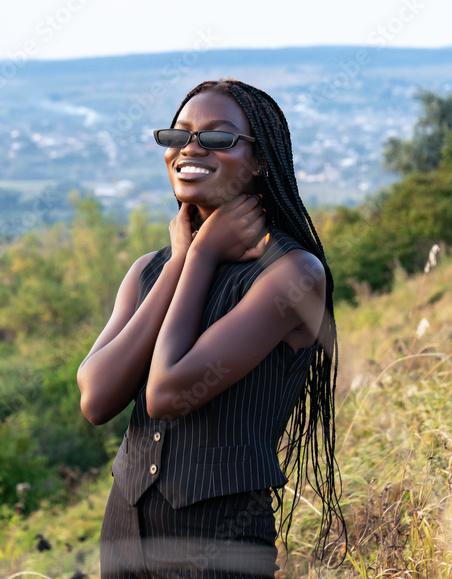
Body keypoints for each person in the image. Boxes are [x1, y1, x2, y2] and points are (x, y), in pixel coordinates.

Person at [76, 78, 346, 578]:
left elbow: (167, 392)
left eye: (219, 138)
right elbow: (95, 398)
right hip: (124, 532)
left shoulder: (292, 275)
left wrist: (198, 255)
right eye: (179, 136)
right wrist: (182, 260)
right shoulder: (148, 270)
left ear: (260, 160)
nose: (191, 148)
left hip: (220, 543)